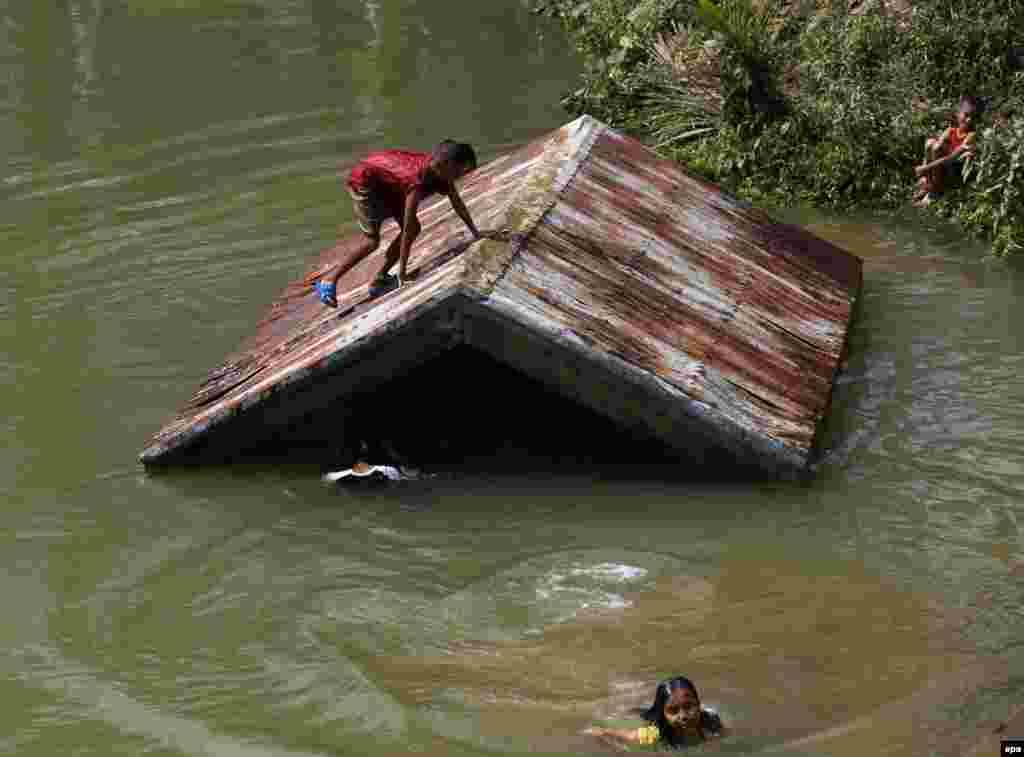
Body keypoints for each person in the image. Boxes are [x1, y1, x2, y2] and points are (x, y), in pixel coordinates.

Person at [313, 140, 482, 307]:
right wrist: (402, 273)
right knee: (371, 242)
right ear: (446, 165)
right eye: (460, 173)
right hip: (365, 182)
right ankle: (328, 281)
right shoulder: (416, 181)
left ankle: (380, 279)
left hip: (389, 183)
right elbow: (407, 229)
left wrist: (476, 233)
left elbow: (457, 202)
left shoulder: (439, 172)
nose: (460, 178)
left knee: (415, 228)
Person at [584, 676, 725, 749]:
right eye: (673, 710)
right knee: (640, 714)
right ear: (663, 713)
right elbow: (602, 732)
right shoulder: (654, 734)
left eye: (689, 706)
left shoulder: (712, 722)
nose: (683, 716)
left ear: (699, 704)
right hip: (650, 718)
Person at [914, 95, 981, 206]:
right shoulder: (951, 130)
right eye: (967, 115)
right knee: (931, 143)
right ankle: (928, 184)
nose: (969, 120)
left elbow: (952, 157)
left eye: (973, 118)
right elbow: (935, 147)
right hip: (941, 166)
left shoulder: (971, 135)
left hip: (954, 168)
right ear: (959, 114)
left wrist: (925, 168)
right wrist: (924, 171)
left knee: (937, 148)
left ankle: (935, 192)